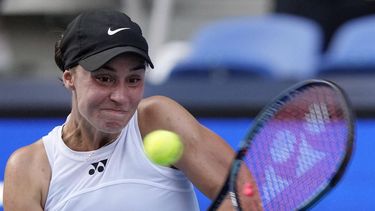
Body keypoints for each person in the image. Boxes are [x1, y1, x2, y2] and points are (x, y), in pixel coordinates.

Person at [3, 9, 262, 211]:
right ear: (70, 77)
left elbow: (241, 192)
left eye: (134, 80)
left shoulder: (158, 119)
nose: (121, 97)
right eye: (104, 78)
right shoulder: (28, 168)